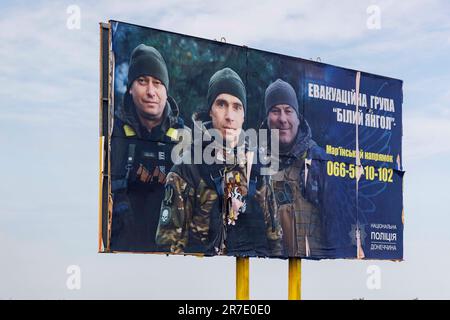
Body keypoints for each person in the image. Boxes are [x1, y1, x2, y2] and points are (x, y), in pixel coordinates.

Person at [155, 68, 283, 257]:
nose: (229, 116)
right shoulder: (186, 169)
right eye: (221, 104)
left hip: (251, 278)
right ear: (210, 111)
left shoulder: (258, 167)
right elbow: (169, 249)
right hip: (203, 280)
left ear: (243, 115)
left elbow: (276, 243)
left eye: (237, 107)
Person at [110, 44, 189, 252]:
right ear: (130, 87)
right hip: (120, 254)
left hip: (176, 257)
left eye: (157, 83)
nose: (151, 91)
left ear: (166, 90)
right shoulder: (111, 135)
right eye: (142, 81)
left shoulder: (188, 139)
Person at [264, 79, 330, 258]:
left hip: (317, 269)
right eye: (275, 111)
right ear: (267, 118)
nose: (282, 119)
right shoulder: (254, 162)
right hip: (265, 266)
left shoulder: (319, 161)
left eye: (288, 111)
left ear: (298, 118)